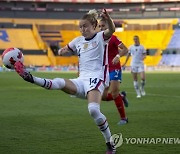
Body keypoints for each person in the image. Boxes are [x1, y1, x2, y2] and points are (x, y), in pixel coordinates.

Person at [14, 9, 116, 154]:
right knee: (59, 82)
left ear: (94, 25)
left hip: (97, 78)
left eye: (85, 26)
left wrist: (109, 19)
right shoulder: (78, 41)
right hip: (81, 80)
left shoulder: (100, 37)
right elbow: (66, 48)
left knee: (93, 110)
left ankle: (110, 143)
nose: (82, 29)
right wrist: (63, 50)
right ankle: (29, 77)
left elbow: (111, 30)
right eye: (80, 27)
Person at [99, 19, 129, 125]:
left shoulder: (114, 38)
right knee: (103, 97)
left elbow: (125, 49)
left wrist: (117, 55)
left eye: (103, 26)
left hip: (114, 68)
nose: (101, 28)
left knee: (114, 92)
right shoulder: (98, 39)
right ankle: (122, 96)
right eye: (100, 26)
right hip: (104, 70)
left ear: (108, 27)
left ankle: (124, 118)